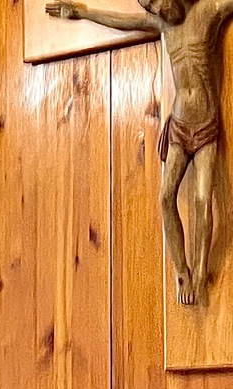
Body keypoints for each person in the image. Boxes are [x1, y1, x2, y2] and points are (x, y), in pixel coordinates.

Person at [46, 0, 233, 305]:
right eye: (150, 6)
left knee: (202, 200)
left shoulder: (207, 13)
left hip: (206, 126)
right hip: (179, 126)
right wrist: (81, 12)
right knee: (164, 197)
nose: (157, 9)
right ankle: (182, 271)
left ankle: (199, 273)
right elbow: (122, 21)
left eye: (158, 1)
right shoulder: (162, 25)